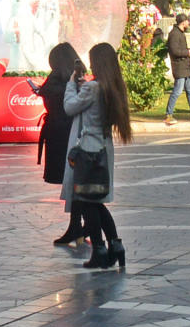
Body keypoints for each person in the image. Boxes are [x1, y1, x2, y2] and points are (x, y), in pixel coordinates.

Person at [62, 41, 133, 271]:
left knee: (87, 202)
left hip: (89, 151)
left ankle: (100, 250)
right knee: (97, 202)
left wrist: (72, 84)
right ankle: (115, 245)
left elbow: (70, 107)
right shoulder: (112, 86)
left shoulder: (93, 88)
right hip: (104, 148)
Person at [38, 42, 85, 245]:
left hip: (62, 134)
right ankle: (77, 227)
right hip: (68, 133)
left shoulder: (63, 79)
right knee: (73, 184)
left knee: (72, 183)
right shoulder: (75, 78)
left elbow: (53, 96)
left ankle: (80, 227)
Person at [164, 14, 190, 124]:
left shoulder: (180, 33)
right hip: (179, 67)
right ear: (183, 22)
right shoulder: (174, 34)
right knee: (177, 90)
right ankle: (169, 114)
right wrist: (187, 53)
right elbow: (174, 51)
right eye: (187, 21)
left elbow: (181, 49)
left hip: (186, 67)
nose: (188, 23)